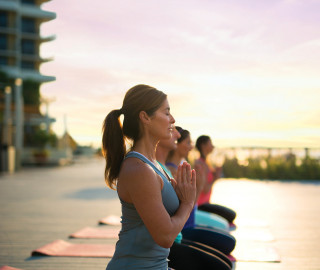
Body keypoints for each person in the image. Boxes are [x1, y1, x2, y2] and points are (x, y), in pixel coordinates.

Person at [102, 84, 196, 270]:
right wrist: (187, 203)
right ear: (145, 117)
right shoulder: (139, 170)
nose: (173, 120)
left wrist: (180, 195)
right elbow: (165, 237)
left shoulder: (152, 165)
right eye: (167, 113)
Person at [156, 127, 233, 270]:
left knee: (226, 257)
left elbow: (187, 203)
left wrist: (208, 181)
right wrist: (199, 187)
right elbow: (187, 204)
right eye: (187, 142)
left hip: (184, 227)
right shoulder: (169, 170)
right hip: (183, 230)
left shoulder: (177, 167)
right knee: (226, 248)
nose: (190, 146)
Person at [195, 135, 237, 225]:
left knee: (230, 216)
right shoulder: (200, 164)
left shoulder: (206, 163)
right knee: (231, 215)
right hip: (200, 205)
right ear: (203, 146)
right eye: (210, 144)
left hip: (206, 203)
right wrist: (215, 178)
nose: (213, 146)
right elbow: (204, 189)